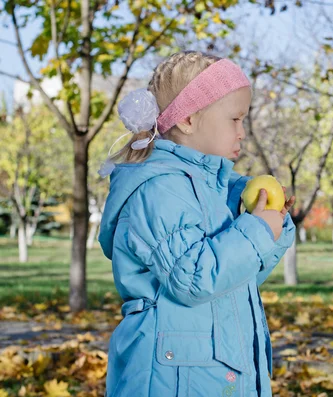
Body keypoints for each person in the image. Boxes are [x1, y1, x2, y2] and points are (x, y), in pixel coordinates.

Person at [98, 51, 296, 397]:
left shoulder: (216, 190)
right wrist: (255, 231)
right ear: (188, 119)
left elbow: (234, 281)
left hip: (211, 375)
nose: (243, 132)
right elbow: (192, 278)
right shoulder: (159, 188)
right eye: (235, 119)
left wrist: (273, 229)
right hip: (172, 380)